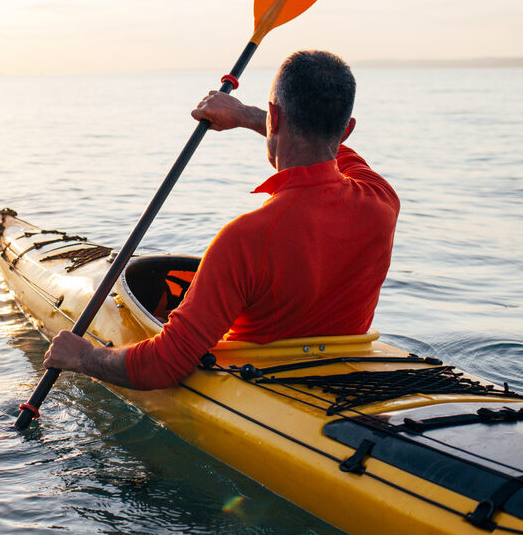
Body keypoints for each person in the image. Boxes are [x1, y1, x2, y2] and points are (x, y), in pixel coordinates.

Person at [44, 50, 399, 390]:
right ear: (347, 129)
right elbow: (340, 156)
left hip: (258, 388)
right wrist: (247, 115)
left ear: (274, 116)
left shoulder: (246, 238)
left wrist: (85, 357)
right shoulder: (382, 199)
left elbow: (165, 364)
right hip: (342, 378)